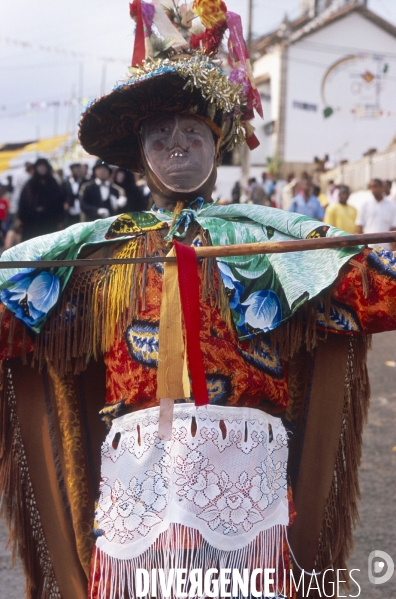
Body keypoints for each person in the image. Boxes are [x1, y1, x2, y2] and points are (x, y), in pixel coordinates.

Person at [1, 3, 396, 598]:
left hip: (248, 491)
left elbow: (373, 292)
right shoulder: (97, 254)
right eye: (160, 136)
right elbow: (17, 316)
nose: (177, 145)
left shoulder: (272, 240)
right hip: (138, 489)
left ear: (220, 147)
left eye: (193, 133)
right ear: (140, 156)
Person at [17, 158, 65, 241]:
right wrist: (21, 219)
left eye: (44, 167)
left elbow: (59, 202)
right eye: (40, 167)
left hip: (49, 221)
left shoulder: (53, 183)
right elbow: (23, 203)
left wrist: (60, 220)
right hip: (32, 222)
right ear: (36, 168)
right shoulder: (30, 184)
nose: (42, 169)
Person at [356, 178, 396, 249]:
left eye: (375, 186)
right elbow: (359, 226)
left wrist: (393, 247)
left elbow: (393, 228)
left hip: (385, 247)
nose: (373, 189)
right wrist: (360, 247)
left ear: (382, 187)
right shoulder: (365, 204)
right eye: (371, 187)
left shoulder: (391, 205)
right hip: (368, 247)